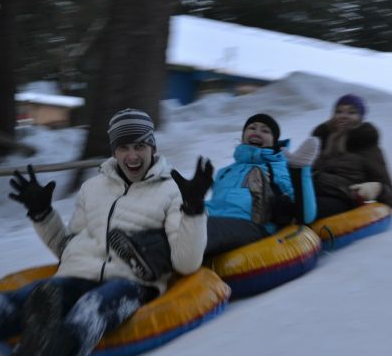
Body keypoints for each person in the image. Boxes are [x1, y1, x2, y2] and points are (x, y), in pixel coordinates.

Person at [0, 109, 212, 356]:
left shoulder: (172, 192)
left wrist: (194, 209)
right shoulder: (93, 188)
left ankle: (52, 345)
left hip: (131, 283)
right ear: (114, 151)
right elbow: (68, 249)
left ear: (152, 147)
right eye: (123, 147)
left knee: (96, 305)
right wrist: (42, 214)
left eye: (139, 146)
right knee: (13, 302)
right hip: (75, 277)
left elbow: (186, 262)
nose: (132, 155)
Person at [107, 113, 319, 280]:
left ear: (274, 141)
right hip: (215, 215)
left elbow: (303, 213)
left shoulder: (276, 165)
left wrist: (301, 170)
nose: (257, 131)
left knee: (204, 231)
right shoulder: (227, 170)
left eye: (265, 130)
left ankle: (147, 257)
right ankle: (129, 246)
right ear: (244, 135)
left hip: (251, 222)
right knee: (174, 220)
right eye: (252, 127)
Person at [311, 94, 392, 219]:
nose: (344, 116)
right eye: (339, 111)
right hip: (314, 191)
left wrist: (376, 189)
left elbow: (391, 196)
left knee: (315, 207)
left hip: (343, 199)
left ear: (360, 118)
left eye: (352, 112)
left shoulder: (367, 146)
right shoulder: (323, 144)